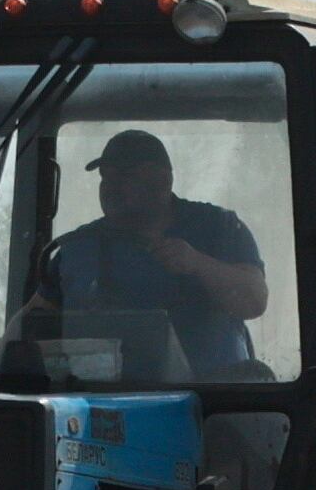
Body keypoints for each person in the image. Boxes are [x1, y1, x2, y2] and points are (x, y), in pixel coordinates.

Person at [36, 129, 270, 373]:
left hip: (212, 401)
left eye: (126, 176)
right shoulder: (79, 246)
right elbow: (32, 320)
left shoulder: (218, 228)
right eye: (106, 177)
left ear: (164, 181)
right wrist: (2, 351)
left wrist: (197, 263)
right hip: (94, 402)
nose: (110, 188)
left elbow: (254, 301)